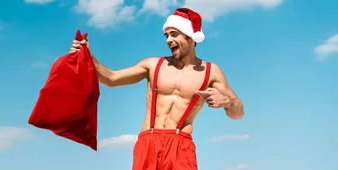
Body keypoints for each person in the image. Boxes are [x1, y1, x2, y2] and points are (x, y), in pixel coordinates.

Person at [68, 8, 244, 170]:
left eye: (174, 34)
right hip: (148, 142)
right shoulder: (153, 65)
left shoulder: (211, 71)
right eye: (166, 35)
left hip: (180, 146)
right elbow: (112, 78)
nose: (168, 40)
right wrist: (88, 56)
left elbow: (238, 114)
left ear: (190, 37)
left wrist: (227, 102)